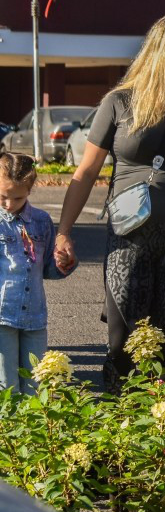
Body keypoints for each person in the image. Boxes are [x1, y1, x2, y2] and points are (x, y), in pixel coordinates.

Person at [56, 14, 165, 393]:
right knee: (122, 341)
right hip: (129, 235)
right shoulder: (118, 104)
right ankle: (120, 426)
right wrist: (63, 232)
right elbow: (85, 172)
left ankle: (162, 428)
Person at [0, 153, 75, 394]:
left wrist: (64, 262)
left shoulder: (41, 221)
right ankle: (8, 430)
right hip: (2, 315)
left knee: (37, 384)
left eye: (17, 197)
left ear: (30, 189)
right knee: (6, 385)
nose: (9, 204)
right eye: (2, 197)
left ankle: (33, 431)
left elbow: (48, 270)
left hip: (34, 316)